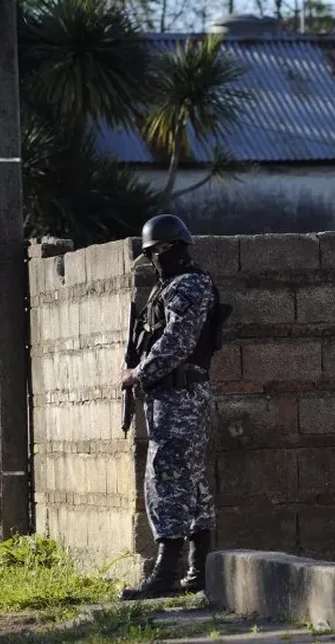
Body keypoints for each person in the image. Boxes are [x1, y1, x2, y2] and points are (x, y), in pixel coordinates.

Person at [119, 214, 221, 600]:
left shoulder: (189, 284)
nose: (157, 257)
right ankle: (199, 571)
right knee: (189, 479)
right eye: (152, 252)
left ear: (179, 246)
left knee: (167, 478)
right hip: (172, 396)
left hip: (181, 397)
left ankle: (166, 574)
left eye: (162, 249)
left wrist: (138, 373)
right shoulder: (169, 287)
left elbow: (178, 341)